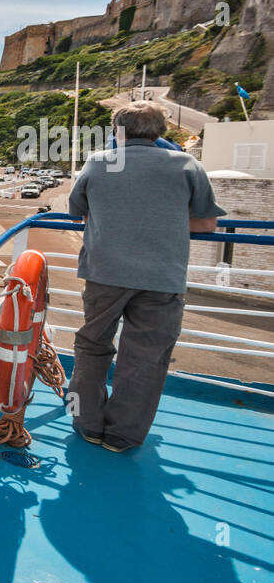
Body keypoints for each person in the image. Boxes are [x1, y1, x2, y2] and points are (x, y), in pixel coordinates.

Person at [67, 101, 224, 452]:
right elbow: (206, 223)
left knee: (92, 347)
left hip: (103, 273)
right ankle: (123, 436)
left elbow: (77, 213)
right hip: (161, 277)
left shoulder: (97, 162)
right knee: (146, 358)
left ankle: (88, 423)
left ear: (116, 132)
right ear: (161, 132)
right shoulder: (187, 164)